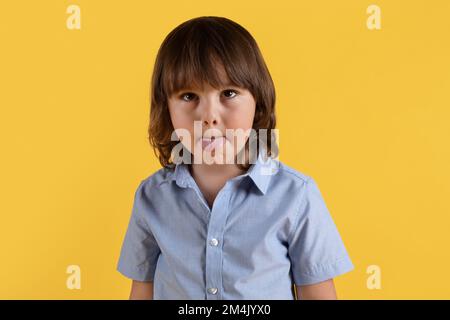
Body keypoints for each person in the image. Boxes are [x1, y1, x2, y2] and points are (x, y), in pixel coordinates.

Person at [117, 16, 354, 300]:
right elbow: (141, 292)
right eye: (189, 95)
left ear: (258, 100)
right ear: (165, 107)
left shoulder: (297, 196)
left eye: (229, 93)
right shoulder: (151, 198)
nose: (208, 116)